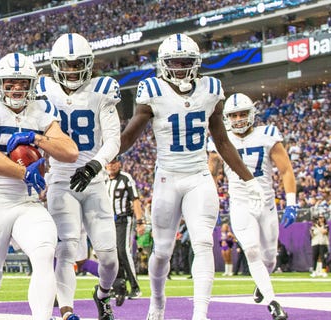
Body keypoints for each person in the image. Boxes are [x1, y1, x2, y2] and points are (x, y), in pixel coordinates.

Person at [119, 34, 263, 320]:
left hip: (198, 175)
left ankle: (200, 314)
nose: (181, 67)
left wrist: (249, 179)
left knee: (203, 242)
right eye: (175, 62)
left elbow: (222, 142)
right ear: (164, 64)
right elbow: (129, 136)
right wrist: (100, 158)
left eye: (187, 62)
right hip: (167, 177)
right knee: (161, 251)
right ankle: (157, 302)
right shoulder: (152, 90)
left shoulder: (211, 89)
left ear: (196, 63)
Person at [0, 52, 78, 320]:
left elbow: (70, 151)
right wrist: (23, 172)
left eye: (22, 82)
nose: (16, 88)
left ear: (32, 84)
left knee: (44, 252)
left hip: (27, 203)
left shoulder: (42, 111)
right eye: (10, 82)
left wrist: (38, 138)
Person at [36, 32, 120, 320]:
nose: (72, 70)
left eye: (78, 64)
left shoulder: (102, 89)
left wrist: (94, 166)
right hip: (60, 180)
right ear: (56, 65)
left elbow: (112, 140)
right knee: (67, 247)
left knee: (108, 257)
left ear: (89, 63)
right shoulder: (43, 89)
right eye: (66, 64)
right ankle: (67, 312)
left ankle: (102, 294)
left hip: (94, 180)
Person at [208, 92, 295, 319]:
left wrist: (292, 202)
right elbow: (211, 176)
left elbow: (286, 170)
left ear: (252, 113)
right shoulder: (220, 139)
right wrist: (208, 204)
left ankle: (261, 282)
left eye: (242, 114)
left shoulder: (266, 134)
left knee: (269, 258)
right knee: (252, 250)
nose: (238, 119)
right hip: (240, 203)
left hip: (266, 203)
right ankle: (273, 302)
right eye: (233, 115)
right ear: (226, 117)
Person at [106, 156, 143, 306]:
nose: (111, 165)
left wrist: (140, 221)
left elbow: (135, 199)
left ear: (119, 164)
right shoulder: (104, 180)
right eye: (109, 162)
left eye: (114, 162)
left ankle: (135, 287)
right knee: (113, 254)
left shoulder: (126, 178)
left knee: (123, 251)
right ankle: (120, 287)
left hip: (123, 219)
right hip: (109, 221)